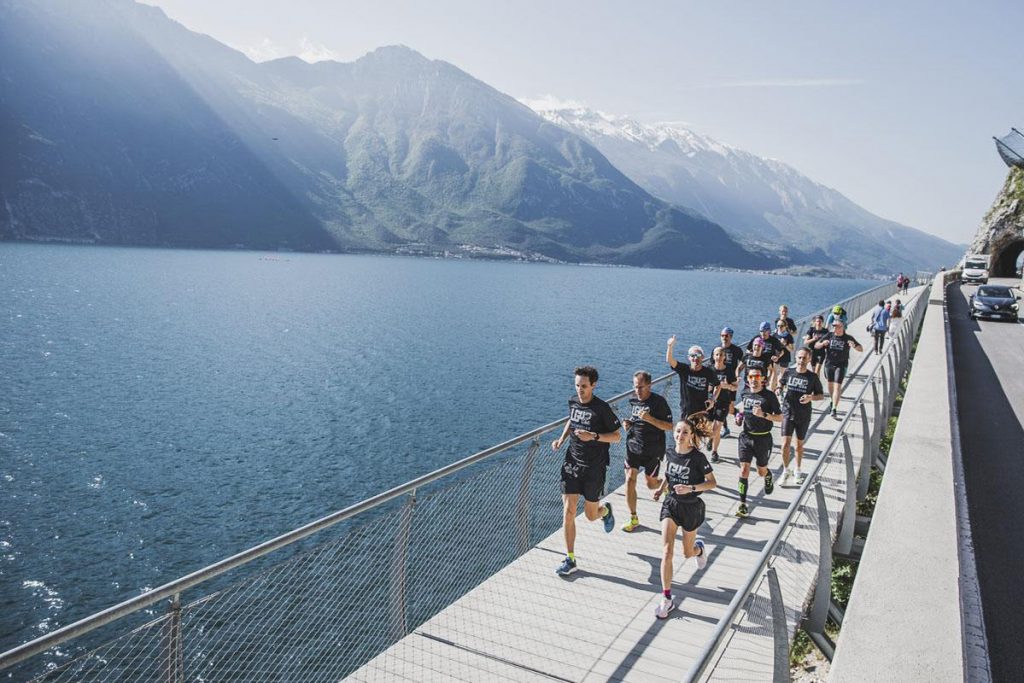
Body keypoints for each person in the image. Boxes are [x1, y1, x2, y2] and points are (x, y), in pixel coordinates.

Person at [551, 366, 621, 576]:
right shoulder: (573, 401)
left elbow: (617, 436)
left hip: (594, 467)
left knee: (591, 515)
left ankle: (605, 511)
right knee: (568, 512)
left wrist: (594, 437)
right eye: (577, 385)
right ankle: (570, 558)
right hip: (572, 463)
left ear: (593, 385)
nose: (580, 390)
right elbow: (571, 419)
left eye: (584, 386)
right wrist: (561, 440)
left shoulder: (602, 409)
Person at [653, 416, 718, 619]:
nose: (680, 436)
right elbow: (669, 474)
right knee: (667, 552)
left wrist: (690, 488)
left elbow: (712, 483)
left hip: (691, 507)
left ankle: (699, 550)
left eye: (685, 433)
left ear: (691, 436)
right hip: (671, 505)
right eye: (678, 432)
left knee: (687, 553)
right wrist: (661, 489)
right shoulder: (670, 452)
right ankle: (667, 598)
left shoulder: (698, 458)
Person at [621, 371, 674, 532]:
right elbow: (637, 421)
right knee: (630, 479)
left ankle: (665, 487)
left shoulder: (659, 402)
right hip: (633, 447)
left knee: (651, 484)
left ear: (649, 385)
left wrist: (650, 419)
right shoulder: (633, 401)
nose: (637, 391)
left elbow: (669, 426)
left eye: (641, 387)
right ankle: (633, 517)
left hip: (653, 449)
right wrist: (629, 424)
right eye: (635, 387)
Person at [735, 367, 782, 517]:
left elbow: (780, 417)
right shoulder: (744, 393)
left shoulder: (769, 396)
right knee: (744, 470)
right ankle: (742, 504)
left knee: (761, 471)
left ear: (762, 379)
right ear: (747, 379)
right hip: (746, 437)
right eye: (751, 377)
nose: (753, 379)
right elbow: (744, 409)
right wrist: (740, 416)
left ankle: (768, 475)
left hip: (763, 438)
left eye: (757, 376)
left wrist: (764, 415)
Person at [779, 347, 825, 484]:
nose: (801, 361)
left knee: (798, 445)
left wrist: (810, 397)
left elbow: (821, 395)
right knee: (784, 444)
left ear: (809, 359)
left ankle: (797, 470)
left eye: (804, 358)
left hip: (803, 414)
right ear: (796, 358)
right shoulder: (789, 372)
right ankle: (785, 471)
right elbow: (780, 384)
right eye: (799, 357)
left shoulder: (812, 377)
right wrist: (778, 389)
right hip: (788, 412)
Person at [814, 320, 864, 419]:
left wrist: (854, 346)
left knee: (837, 387)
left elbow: (861, 349)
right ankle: (833, 400)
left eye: (837, 326)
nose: (835, 328)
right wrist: (823, 343)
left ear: (842, 327)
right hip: (829, 364)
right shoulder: (829, 335)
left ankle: (834, 409)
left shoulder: (848, 338)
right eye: (834, 326)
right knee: (830, 385)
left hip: (841, 365)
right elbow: (816, 345)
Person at [666, 338, 718, 418]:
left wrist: (713, 399)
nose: (695, 358)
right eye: (693, 356)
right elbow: (670, 360)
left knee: (701, 430)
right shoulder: (684, 369)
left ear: (703, 357)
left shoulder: (708, 372)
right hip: (686, 410)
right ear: (689, 358)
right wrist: (670, 346)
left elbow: (718, 385)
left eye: (698, 355)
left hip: (702, 411)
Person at [708, 346, 738, 463]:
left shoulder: (729, 371)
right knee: (710, 427)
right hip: (710, 402)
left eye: (721, 355)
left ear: (724, 357)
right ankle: (711, 438)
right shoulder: (709, 370)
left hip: (723, 402)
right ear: (713, 356)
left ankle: (714, 452)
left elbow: (735, 386)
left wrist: (727, 386)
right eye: (717, 355)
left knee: (717, 428)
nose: (719, 357)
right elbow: (705, 385)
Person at [717, 327, 743, 437]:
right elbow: (713, 364)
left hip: (731, 381)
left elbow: (743, 361)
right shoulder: (717, 350)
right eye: (722, 335)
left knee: (730, 407)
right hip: (720, 381)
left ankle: (737, 413)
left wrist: (738, 374)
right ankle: (725, 428)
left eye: (726, 336)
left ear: (731, 337)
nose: (724, 338)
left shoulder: (736, 350)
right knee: (720, 405)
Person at [746, 322, 782, 388]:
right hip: (760, 363)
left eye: (765, 331)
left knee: (771, 383)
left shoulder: (774, 340)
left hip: (771, 362)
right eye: (761, 331)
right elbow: (748, 349)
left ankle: (774, 389)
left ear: (769, 331)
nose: (763, 333)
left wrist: (777, 357)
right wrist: (752, 353)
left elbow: (781, 351)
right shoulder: (756, 338)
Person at [771, 318, 795, 392]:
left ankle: (780, 391)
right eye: (778, 326)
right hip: (776, 357)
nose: (779, 328)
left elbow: (791, 349)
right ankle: (772, 392)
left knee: (782, 375)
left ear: (785, 326)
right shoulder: (774, 335)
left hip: (785, 357)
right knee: (774, 374)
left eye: (781, 326)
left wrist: (786, 344)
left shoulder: (788, 336)